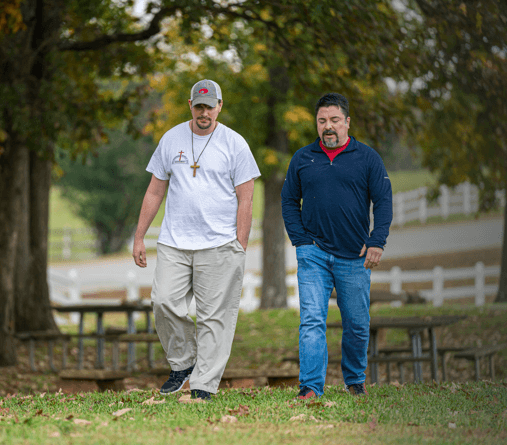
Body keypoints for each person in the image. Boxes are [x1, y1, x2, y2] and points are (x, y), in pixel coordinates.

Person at [132, 79, 260, 401]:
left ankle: (204, 385)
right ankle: (184, 363)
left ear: (220, 106)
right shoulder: (171, 138)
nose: (204, 112)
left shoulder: (235, 144)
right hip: (174, 241)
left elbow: (246, 199)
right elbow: (155, 190)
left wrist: (239, 245)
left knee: (214, 316)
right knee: (163, 302)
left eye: (210, 106)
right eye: (199, 106)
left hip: (219, 244)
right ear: (190, 105)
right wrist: (139, 236)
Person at [281, 93, 393, 399]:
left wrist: (376, 241)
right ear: (316, 124)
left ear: (346, 122)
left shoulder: (367, 158)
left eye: (333, 120)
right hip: (313, 253)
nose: (327, 127)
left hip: (355, 256)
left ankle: (355, 380)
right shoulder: (303, 158)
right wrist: (301, 242)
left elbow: (383, 201)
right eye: (321, 121)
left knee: (357, 324)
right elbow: (289, 201)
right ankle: (311, 387)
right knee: (312, 321)